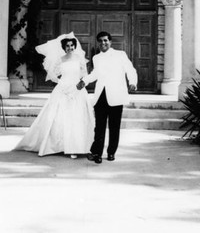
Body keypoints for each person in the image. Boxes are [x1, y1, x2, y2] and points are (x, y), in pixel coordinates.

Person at [15, 32, 94, 158]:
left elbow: (84, 75)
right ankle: (61, 146)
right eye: (67, 46)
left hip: (77, 90)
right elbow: (52, 74)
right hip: (63, 89)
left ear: (75, 46)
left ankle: (76, 146)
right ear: (64, 48)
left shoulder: (80, 59)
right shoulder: (60, 60)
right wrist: (62, 83)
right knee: (61, 117)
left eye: (72, 45)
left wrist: (79, 84)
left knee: (77, 117)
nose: (70, 48)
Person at [76, 31, 137, 164]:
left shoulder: (120, 54)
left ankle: (111, 152)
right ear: (98, 43)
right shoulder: (96, 58)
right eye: (101, 41)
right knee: (99, 127)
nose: (103, 43)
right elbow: (95, 74)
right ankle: (97, 153)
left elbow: (130, 69)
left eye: (105, 40)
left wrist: (132, 82)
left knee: (114, 127)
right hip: (100, 96)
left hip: (116, 95)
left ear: (110, 41)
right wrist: (84, 81)